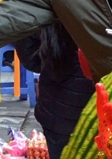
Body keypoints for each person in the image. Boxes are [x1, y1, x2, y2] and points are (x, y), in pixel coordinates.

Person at [14, 24, 95, 159]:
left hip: (58, 113)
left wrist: (51, 62)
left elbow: (27, 48)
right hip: (108, 109)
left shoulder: (55, 5)